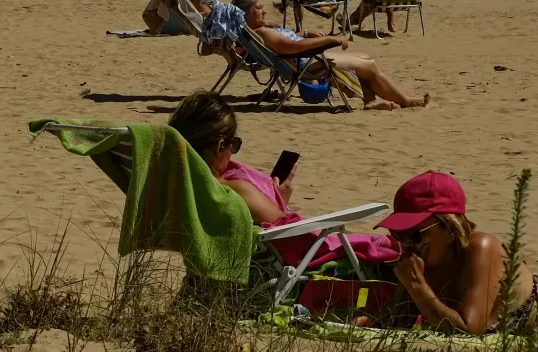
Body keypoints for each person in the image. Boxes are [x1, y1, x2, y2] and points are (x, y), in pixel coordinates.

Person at [167, 91, 400, 276]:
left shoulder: (182, 187)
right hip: (285, 268)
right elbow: (290, 234)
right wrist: (279, 204)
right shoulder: (233, 190)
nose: (233, 153)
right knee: (385, 245)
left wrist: (277, 197)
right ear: (220, 146)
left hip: (205, 273)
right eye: (233, 145)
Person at [381, 171, 538, 335]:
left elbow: (468, 331)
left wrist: (416, 286)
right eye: (398, 233)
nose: (405, 243)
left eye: (414, 234)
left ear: (450, 229)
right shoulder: (423, 258)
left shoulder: (480, 248)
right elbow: (398, 319)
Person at [226, 0, 428, 111]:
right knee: (371, 66)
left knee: (365, 57)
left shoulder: (257, 31)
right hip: (307, 62)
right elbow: (293, 47)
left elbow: (291, 40)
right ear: (245, 13)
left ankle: (370, 100)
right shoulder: (264, 32)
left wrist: (305, 33)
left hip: (304, 58)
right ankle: (407, 101)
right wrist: (329, 40)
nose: (263, 10)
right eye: (258, 8)